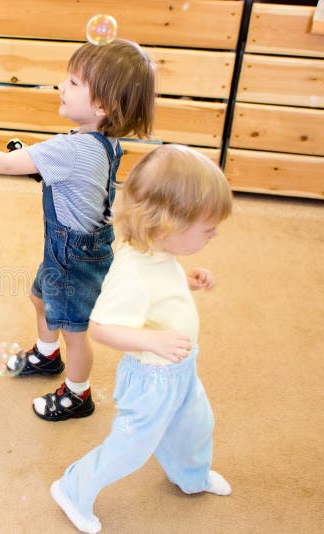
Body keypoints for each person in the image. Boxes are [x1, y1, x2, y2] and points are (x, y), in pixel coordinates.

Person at [0, 40, 156, 421]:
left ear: (102, 105)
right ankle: (47, 356)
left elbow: (3, 164)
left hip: (74, 255)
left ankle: (78, 394)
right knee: (40, 300)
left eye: (73, 82)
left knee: (74, 329)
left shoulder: (72, 150)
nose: (60, 87)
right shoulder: (103, 141)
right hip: (75, 248)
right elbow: (75, 182)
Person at [51, 144, 233, 533]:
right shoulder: (131, 273)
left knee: (196, 426)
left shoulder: (157, 251)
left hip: (182, 368)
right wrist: (153, 343)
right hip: (154, 379)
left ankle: (192, 476)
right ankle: (73, 487)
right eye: (207, 228)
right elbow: (100, 327)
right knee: (131, 448)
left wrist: (185, 280)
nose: (215, 233)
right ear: (168, 227)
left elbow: (159, 285)